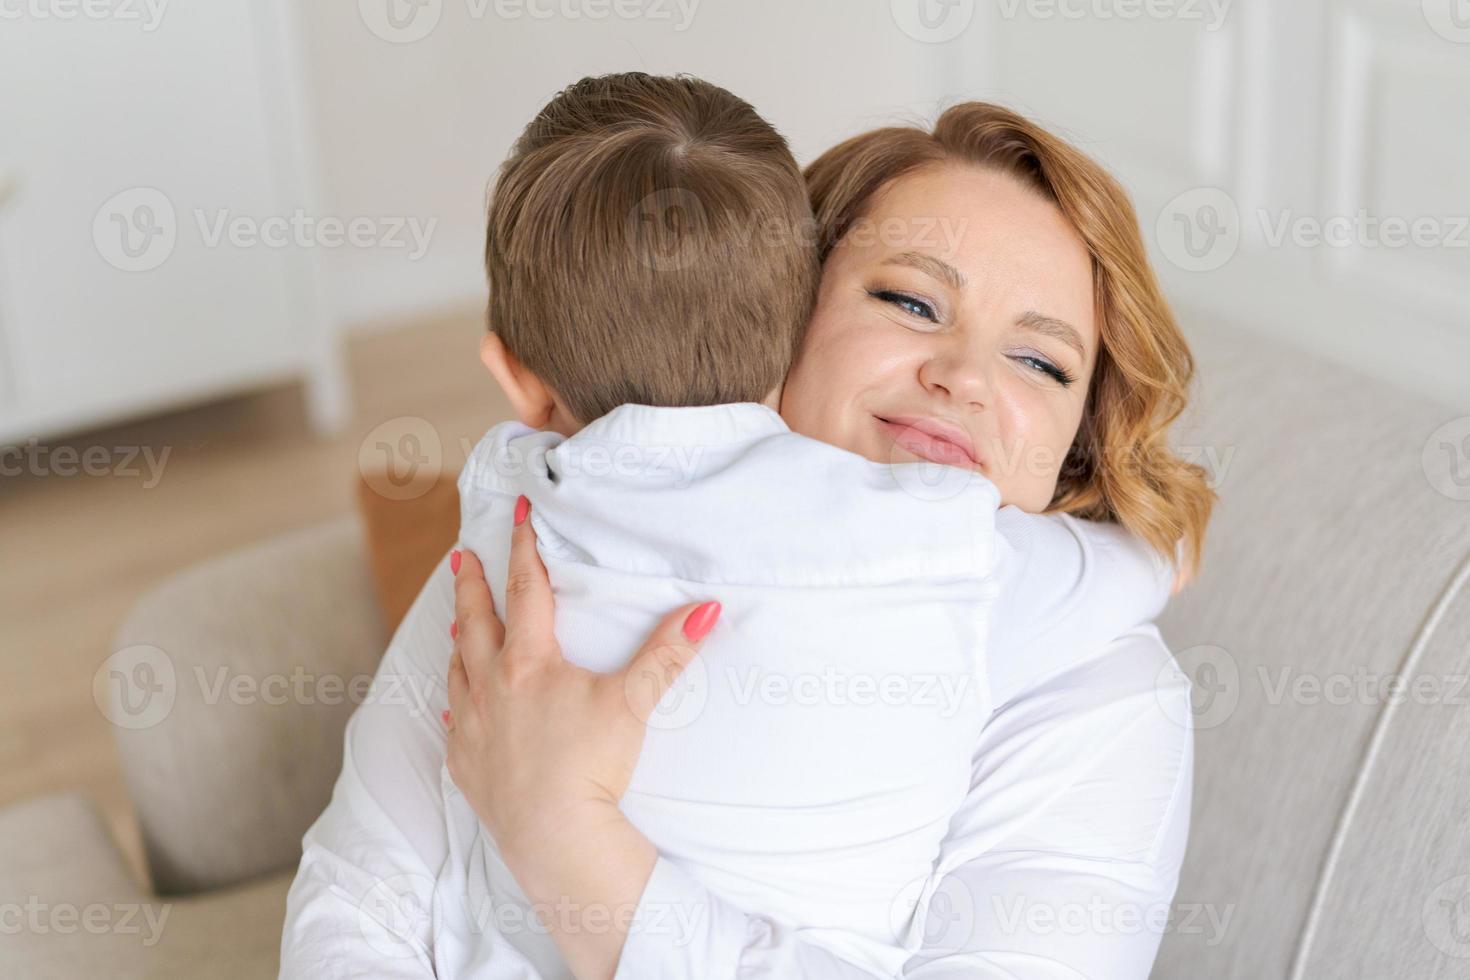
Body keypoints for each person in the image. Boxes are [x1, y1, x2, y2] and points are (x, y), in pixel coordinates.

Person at [283, 76, 1213, 980]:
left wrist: (565, 835)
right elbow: (359, 891)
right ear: (779, 318)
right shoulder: (540, 544)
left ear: (1077, 445)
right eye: (911, 301)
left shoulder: (1104, 696)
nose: (967, 376)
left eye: (1040, 363)